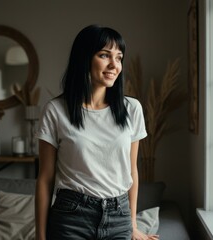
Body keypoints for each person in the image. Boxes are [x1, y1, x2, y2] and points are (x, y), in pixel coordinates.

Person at [35, 24, 159, 240]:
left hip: (118, 216)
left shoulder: (132, 109)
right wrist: (40, 236)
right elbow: (45, 179)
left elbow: (132, 172)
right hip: (71, 217)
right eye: (105, 55)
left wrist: (132, 225)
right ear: (84, 58)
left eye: (119, 58)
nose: (114, 65)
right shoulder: (55, 111)